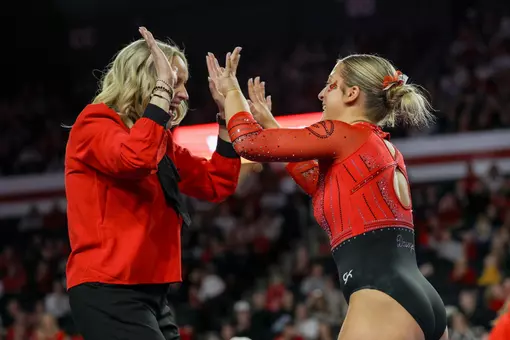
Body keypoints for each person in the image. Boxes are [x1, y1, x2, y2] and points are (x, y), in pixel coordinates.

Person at [207, 49, 448, 340]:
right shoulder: (380, 148)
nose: (321, 93)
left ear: (352, 94)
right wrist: (272, 124)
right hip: (417, 297)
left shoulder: (343, 132)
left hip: (381, 296)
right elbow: (318, 184)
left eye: (331, 85)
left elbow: (248, 143)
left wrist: (230, 89)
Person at [64, 27, 241, 340]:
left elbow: (217, 183)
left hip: (153, 293)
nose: (185, 94)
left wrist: (227, 116)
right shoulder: (93, 124)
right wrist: (162, 90)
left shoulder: (162, 142)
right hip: (109, 289)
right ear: (147, 79)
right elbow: (135, 160)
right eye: (176, 81)